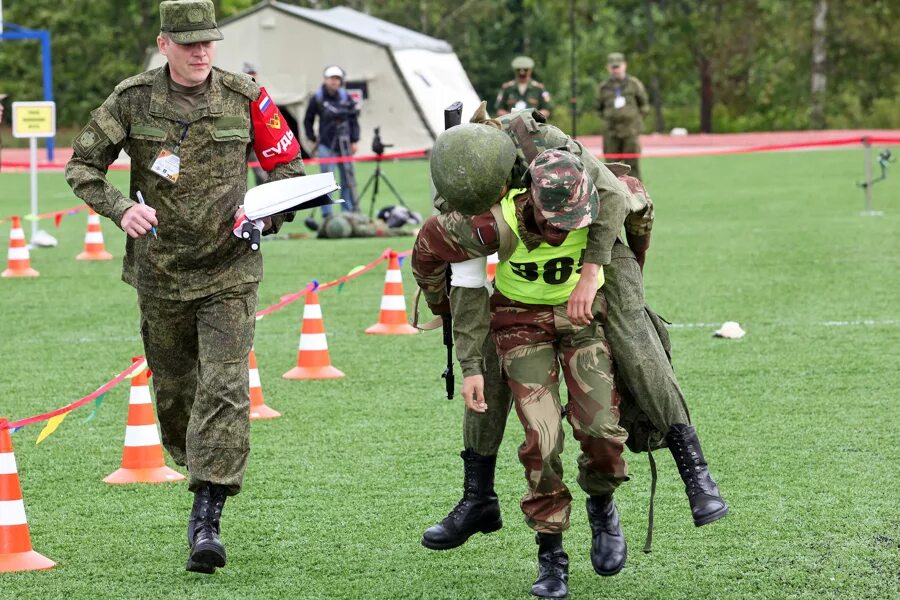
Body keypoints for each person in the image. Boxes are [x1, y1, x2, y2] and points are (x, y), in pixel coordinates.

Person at [415, 113, 727, 589]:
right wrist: (463, 350)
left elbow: (633, 218)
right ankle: (550, 553)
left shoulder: (596, 193)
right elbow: (442, 265)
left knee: (605, 422)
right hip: (522, 323)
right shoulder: (489, 220)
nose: (563, 231)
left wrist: (597, 273)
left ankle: (620, 498)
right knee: (541, 438)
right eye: (553, 221)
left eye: (572, 222)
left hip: (583, 323)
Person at [64, 0, 304, 575]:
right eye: (189, 42)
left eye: (209, 42)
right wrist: (121, 210)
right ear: (164, 42)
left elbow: (289, 171)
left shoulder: (248, 97)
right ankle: (197, 469)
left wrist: (266, 215)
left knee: (224, 387)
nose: (201, 52)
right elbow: (82, 165)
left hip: (230, 270)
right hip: (160, 272)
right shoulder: (132, 99)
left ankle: (208, 516)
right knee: (175, 397)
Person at [303, 65, 360, 216]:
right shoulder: (318, 97)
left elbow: (354, 120)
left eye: (337, 79)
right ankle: (327, 213)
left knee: (347, 178)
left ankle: (347, 211)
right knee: (326, 180)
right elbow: (308, 119)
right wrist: (311, 138)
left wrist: (354, 140)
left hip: (345, 142)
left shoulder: (346, 97)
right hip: (326, 143)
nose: (334, 82)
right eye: (331, 78)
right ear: (326, 79)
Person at [597, 52, 649, 179]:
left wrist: (634, 121)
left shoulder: (634, 84)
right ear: (608, 68)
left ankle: (636, 195)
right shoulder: (603, 87)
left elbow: (644, 105)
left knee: (633, 165)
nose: (616, 70)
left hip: (630, 131)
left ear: (624, 66)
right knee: (611, 166)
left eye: (618, 66)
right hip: (611, 132)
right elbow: (599, 108)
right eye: (613, 67)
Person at [316, 211, 416, 239]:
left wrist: (409, 232)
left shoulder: (361, 229)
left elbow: (386, 232)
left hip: (372, 222)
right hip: (369, 222)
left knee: (384, 226)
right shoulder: (326, 225)